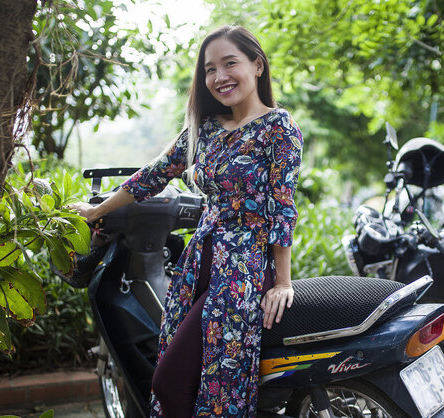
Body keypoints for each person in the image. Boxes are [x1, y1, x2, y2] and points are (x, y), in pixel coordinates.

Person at [70, 25, 303, 417]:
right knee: (182, 380)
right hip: (198, 264)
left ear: (257, 65)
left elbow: (282, 207)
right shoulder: (206, 128)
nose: (219, 77)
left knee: (176, 382)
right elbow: (154, 174)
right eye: (210, 69)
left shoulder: (278, 128)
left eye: (230, 63)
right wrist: (96, 211)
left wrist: (282, 281)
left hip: (241, 269)